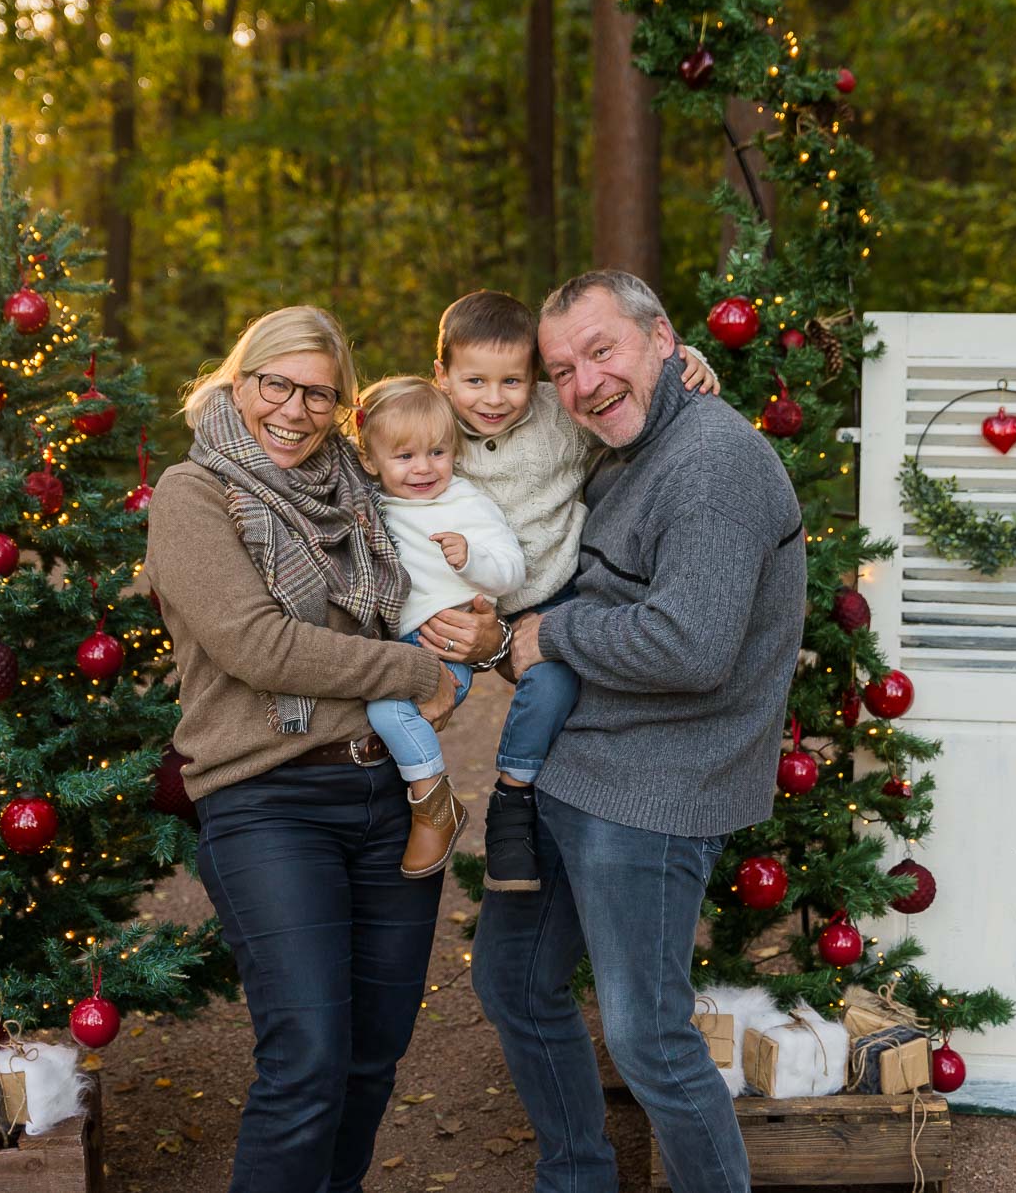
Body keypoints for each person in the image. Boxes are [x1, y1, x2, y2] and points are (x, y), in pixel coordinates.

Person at [144, 306, 509, 1193]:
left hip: (393, 801)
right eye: (279, 385)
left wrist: (480, 632)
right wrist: (410, 671)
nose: (296, 410)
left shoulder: (365, 490)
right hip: (268, 799)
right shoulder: (192, 496)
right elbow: (257, 645)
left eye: (320, 394)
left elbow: (502, 430)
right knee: (306, 1059)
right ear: (241, 382)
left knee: (372, 1059)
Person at [471, 271, 807, 1193]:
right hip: (574, 769)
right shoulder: (619, 446)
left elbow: (693, 645)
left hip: (658, 788)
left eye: (602, 350)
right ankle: (578, 1176)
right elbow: (448, 411)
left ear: (663, 339)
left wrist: (545, 635)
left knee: (647, 1034)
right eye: (562, 369)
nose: (584, 382)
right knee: (513, 983)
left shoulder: (714, 463)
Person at [428, 289, 719, 892]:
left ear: (534, 380)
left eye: (512, 382)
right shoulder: (430, 419)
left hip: (545, 592)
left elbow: (620, 398)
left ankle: (512, 798)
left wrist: (686, 360)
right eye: (474, 381)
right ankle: (418, 797)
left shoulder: (557, 418)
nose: (492, 399)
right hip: (454, 591)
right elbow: (371, 429)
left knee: (554, 682)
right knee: (419, 686)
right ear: (442, 377)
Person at [355, 376, 526, 877]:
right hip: (401, 641)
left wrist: (471, 558)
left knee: (387, 708)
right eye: (404, 457)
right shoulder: (375, 505)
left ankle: (433, 804)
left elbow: (512, 569)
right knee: (387, 715)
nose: (424, 468)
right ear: (372, 462)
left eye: (437, 452)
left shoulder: (465, 504)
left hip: (450, 640)